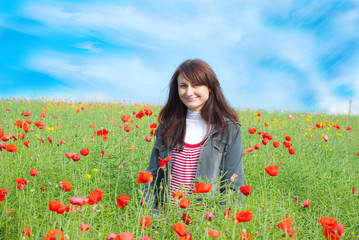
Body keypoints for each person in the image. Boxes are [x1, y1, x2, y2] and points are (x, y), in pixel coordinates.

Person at [144, 59, 243, 209]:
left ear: (210, 87)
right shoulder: (166, 127)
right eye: (183, 86)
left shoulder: (228, 129)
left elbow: (234, 185)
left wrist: (221, 226)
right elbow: (152, 177)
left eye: (196, 85)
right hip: (166, 221)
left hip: (205, 222)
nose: (189, 92)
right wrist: (152, 217)